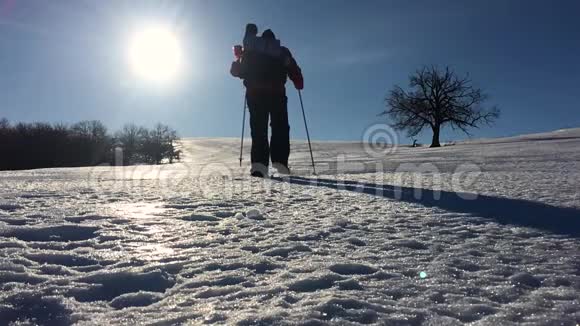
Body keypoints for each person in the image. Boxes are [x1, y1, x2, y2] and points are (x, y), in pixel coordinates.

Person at [230, 24, 304, 178]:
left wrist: (237, 58)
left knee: (258, 130)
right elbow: (293, 68)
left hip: (255, 94)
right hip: (277, 94)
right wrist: (298, 81)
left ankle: (259, 168)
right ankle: (281, 164)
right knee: (280, 128)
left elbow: (237, 72)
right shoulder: (281, 51)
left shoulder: (251, 51)